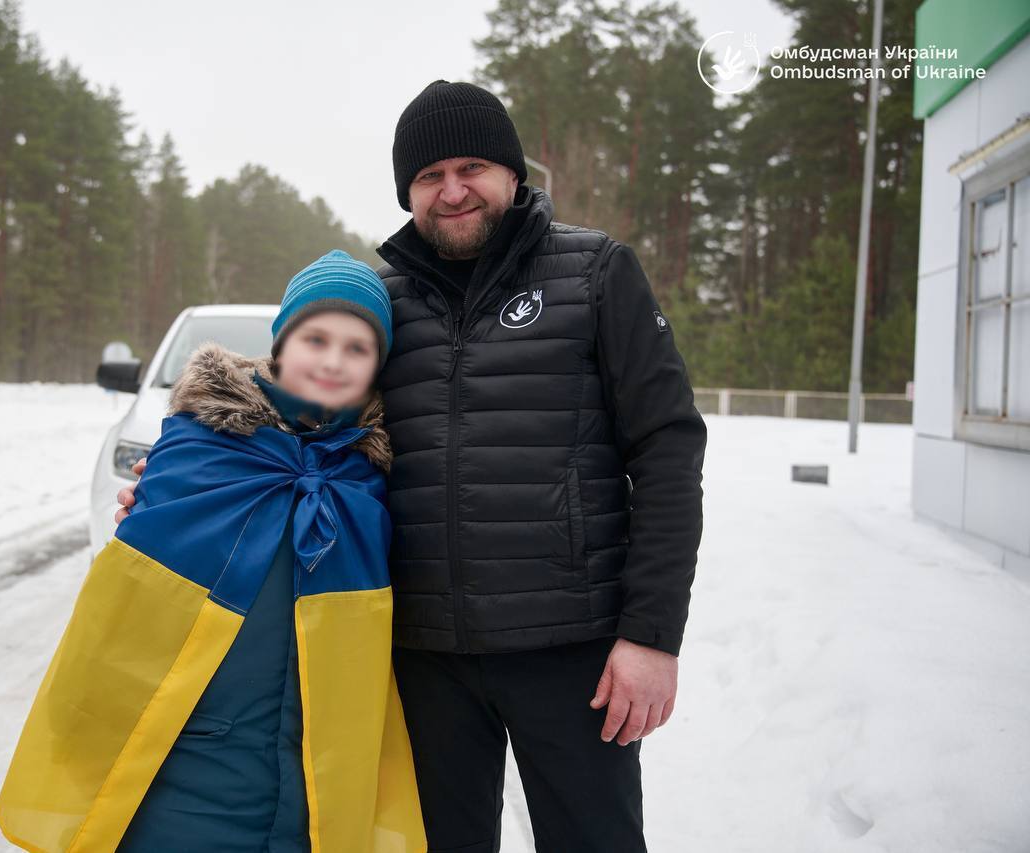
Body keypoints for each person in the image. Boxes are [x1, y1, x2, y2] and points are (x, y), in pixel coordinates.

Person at [120, 80, 707, 852]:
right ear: (409, 192)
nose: (453, 190)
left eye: (472, 168)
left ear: (512, 174)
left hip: (573, 651)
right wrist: (183, 499)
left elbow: (667, 446)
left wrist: (652, 634)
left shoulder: (595, 273)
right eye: (430, 176)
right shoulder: (383, 304)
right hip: (422, 661)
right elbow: (298, 421)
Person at [0, 250, 426, 853]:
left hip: (316, 765)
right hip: (188, 759)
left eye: (357, 348)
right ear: (281, 345)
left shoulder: (371, 476)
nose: (333, 361)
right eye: (316, 338)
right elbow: (125, 606)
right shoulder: (200, 447)